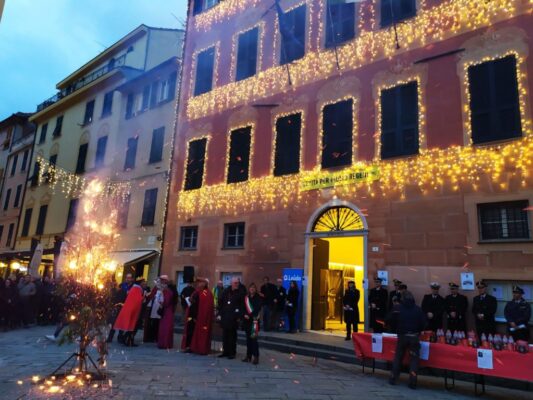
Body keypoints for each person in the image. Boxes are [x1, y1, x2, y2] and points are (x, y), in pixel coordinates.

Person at [388, 291, 426, 390]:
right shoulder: (418, 309)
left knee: (398, 357)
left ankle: (393, 378)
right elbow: (424, 324)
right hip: (414, 337)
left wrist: (396, 328)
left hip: (402, 336)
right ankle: (412, 381)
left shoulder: (398, 308)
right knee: (414, 360)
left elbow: (390, 320)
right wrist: (418, 330)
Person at [217, 277, 244, 359]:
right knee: (225, 336)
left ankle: (232, 353)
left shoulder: (240, 292)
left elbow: (242, 305)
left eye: (238, 283)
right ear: (231, 283)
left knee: (232, 336)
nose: (237, 284)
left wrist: (239, 316)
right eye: (235, 283)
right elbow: (220, 302)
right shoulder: (226, 291)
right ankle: (225, 351)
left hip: (234, 318)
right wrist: (220, 313)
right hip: (225, 316)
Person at [114, 279, 144, 346]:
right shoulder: (137, 289)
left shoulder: (134, 288)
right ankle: (128, 341)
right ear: (140, 283)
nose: (144, 283)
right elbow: (138, 300)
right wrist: (144, 297)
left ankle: (127, 340)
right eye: (143, 282)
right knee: (133, 328)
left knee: (132, 328)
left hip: (131, 311)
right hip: (134, 312)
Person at [189, 278, 214, 355]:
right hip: (197, 316)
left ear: (205, 284)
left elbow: (207, 307)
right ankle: (195, 347)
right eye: (199, 283)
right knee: (196, 333)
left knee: (203, 334)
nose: (199, 284)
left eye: (201, 282)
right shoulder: (198, 292)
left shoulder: (207, 293)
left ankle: (202, 349)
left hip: (204, 318)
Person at [242, 283, 262, 364]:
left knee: (254, 340)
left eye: (253, 288)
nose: (252, 289)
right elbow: (243, 307)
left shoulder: (258, 298)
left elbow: (257, 309)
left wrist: (249, 315)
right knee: (248, 340)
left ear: (255, 289)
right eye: (250, 288)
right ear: (249, 289)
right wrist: (244, 314)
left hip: (254, 321)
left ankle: (256, 357)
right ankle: (248, 356)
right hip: (247, 322)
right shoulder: (246, 298)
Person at [158, 277, 178, 349]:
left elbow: (165, 302)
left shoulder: (166, 291)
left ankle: (164, 343)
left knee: (164, 327)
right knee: (169, 327)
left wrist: (160, 302)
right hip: (170, 310)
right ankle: (168, 344)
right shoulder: (173, 291)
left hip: (166, 311)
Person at [143, 277, 164, 343]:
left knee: (157, 323)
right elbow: (151, 296)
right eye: (156, 282)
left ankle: (156, 337)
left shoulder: (163, 289)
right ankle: (151, 337)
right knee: (153, 323)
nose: (157, 283)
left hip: (159, 308)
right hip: (153, 308)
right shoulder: (155, 289)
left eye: (158, 282)